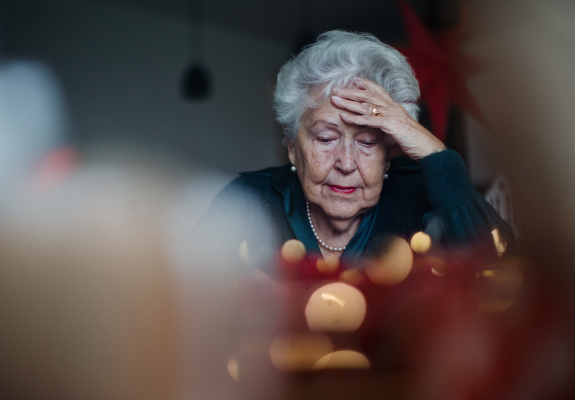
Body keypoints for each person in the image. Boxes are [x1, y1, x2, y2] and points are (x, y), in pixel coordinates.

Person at [199, 30, 513, 268]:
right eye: (326, 139)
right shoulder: (246, 203)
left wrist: (436, 155)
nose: (346, 163)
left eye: (367, 142)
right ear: (292, 147)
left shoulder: (421, 195)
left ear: (390, 151)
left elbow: (497, 270)